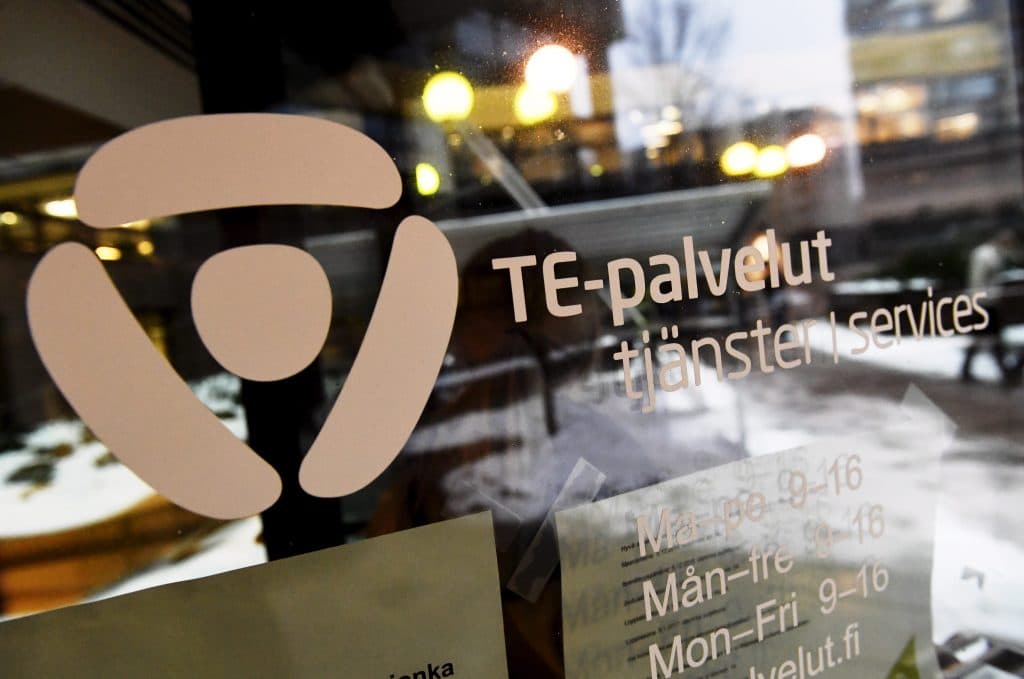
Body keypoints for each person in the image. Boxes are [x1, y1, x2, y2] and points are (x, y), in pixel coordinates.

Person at [961, 229, 1020, 383]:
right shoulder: (987, 256)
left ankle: (968, 370)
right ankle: (1005, 372)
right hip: (984, 303)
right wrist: (984, 298)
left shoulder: (991, 254)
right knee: (991, 337)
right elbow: (978, 280)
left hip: (984, 302)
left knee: (984, 337)